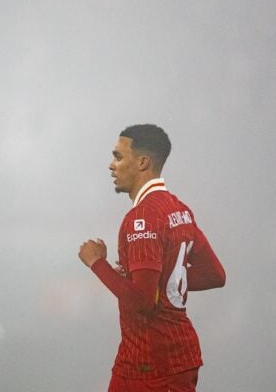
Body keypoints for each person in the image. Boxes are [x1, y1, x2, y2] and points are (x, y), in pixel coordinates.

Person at [78, 124, 226, 392]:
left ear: (143, 162)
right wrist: (154, 276)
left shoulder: (143, 218)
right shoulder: (179, 209)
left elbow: (142, 301)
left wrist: (96, 263)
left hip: (150, 364)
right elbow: (214, 275)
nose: (112, 166)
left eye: (119, 157)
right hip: (172, 357)